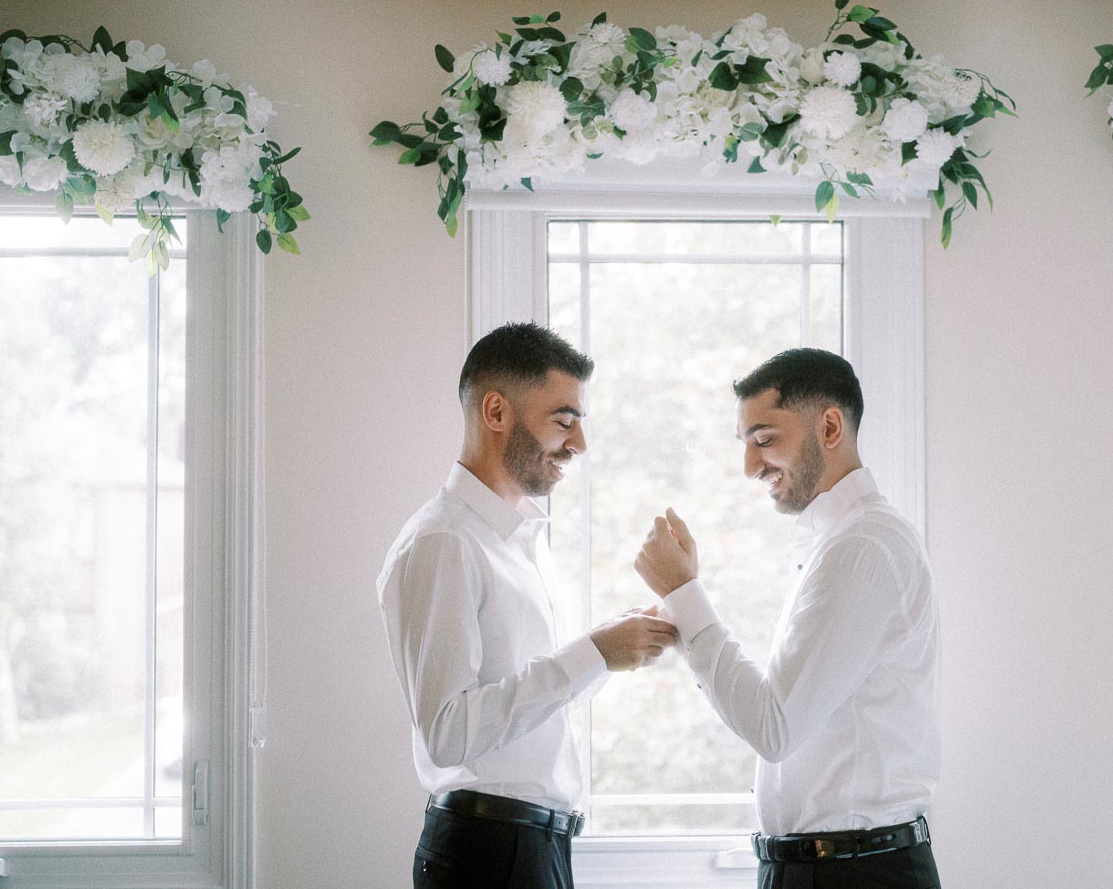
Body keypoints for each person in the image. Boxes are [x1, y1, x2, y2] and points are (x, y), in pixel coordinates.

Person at [378, 322, 679, 889]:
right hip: (487, 855)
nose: (579, 445)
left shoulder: (521, 541)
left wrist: (609, 651)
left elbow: (525, 704)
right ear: (496, 412)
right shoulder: (445, 543)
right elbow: (448, 734)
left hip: (532, 850)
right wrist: (590, 652)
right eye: (564, 422)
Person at [634, 347, 941, 889]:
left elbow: (774, 728)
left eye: (765, 438)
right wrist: (682, 615)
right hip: (828, 868)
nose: (750, 467)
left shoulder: (863, 547)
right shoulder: (838, 545)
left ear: (829, 426)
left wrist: (685, 593)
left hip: (855, 874)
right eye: (746, 444)